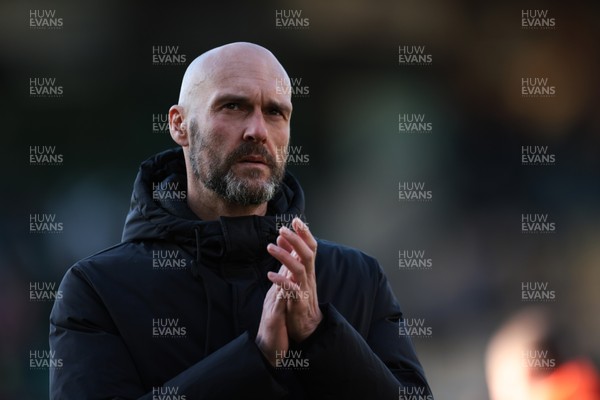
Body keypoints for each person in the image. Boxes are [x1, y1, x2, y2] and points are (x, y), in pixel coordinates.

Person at [49, 42, 432, 399]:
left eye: (275, 112)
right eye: (233, 107)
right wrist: (256, 358)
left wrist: (320, 334)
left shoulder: (357, 278)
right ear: (179, 125)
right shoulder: (97, 290)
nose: (257, 131)